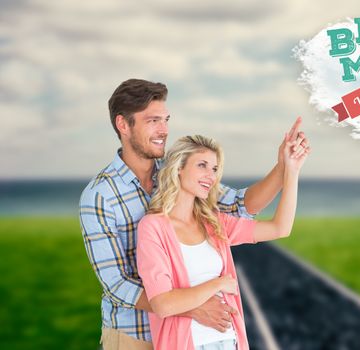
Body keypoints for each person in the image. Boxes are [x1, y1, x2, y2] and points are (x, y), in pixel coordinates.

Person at [79, 78, 310, 350]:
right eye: (153, 120)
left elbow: (241, 206)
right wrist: (191, 305)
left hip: (198, 334)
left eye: (166, 119)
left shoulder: (179, 172)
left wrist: (285, 167)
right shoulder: (100, 196)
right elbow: (117, 284)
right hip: (133, 335)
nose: (164, 129)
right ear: (123, 124)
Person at [137, 134, 307, 350]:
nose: (211, 175)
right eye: (202, 165)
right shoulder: (153, 227)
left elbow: (280, 228)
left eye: (215, 169)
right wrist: (217, 284)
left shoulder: (213, 223)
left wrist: (291, 171)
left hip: (229, 341)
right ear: (179, 167)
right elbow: (162, 304)